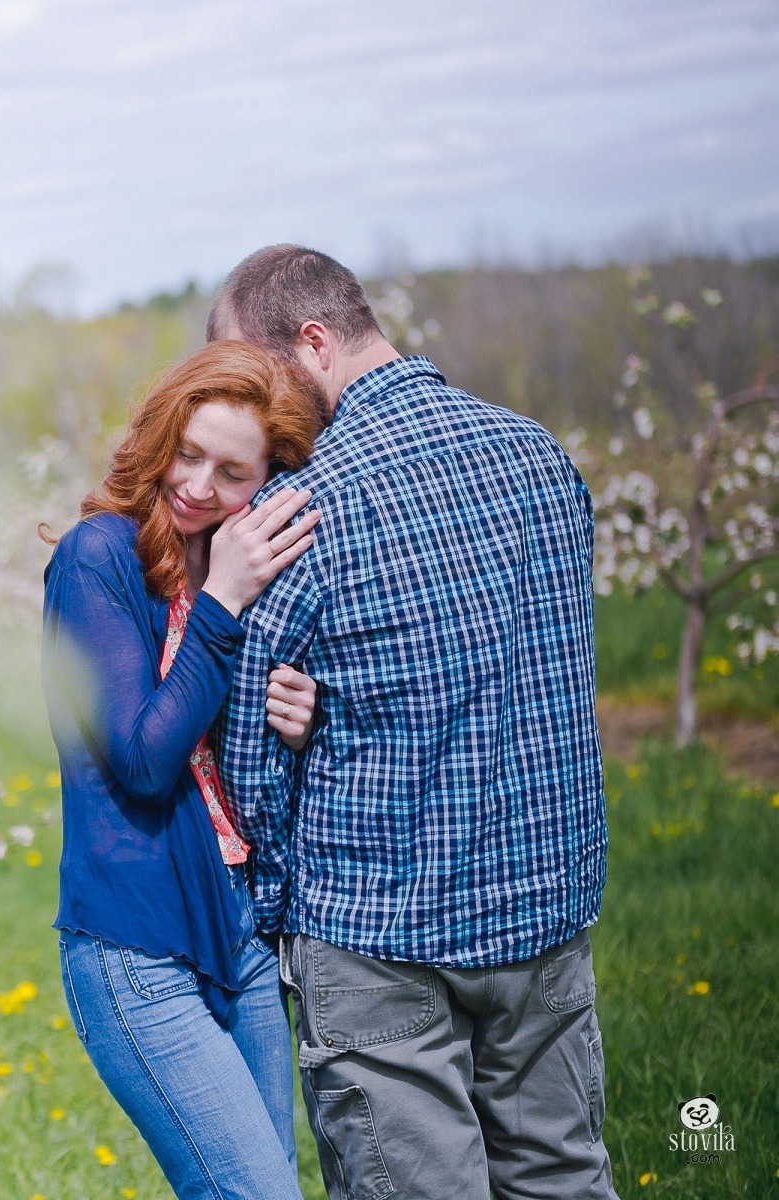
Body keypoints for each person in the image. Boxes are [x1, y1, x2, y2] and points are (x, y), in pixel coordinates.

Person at [207, 245, 617, 1200]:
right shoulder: (539, 455)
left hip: (374, 929)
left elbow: (249, 748)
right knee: (563, 1174)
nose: (251, 406)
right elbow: (536, 668)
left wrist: (275, 910)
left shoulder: (300, 508)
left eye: (256, 374)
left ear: (312, 344)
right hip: (542, 905)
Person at [41, 339, 325, 1199]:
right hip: (136, 943)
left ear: (266, 484)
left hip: (238, 926)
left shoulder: (237, 566)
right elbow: (142, 758)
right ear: (161, 437)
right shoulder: (99, 558)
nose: (199, 485)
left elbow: (221, 753)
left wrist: (297, 717)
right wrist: (223, 603)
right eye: (188, 454)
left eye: (232, 473)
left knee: (271, 1182)